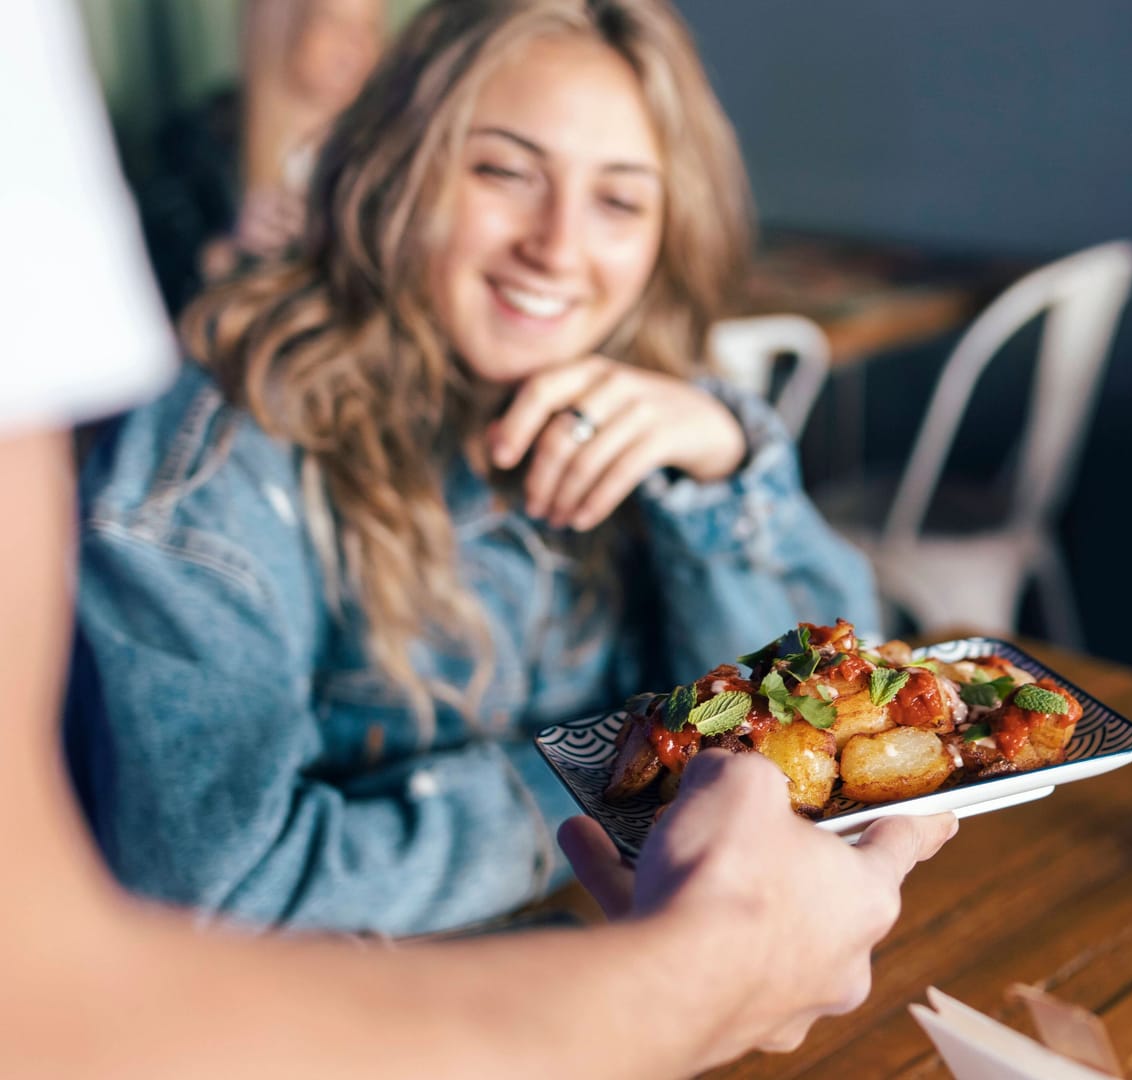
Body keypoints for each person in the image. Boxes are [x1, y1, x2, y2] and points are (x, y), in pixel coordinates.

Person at [8, 4, 951, 1074]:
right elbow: (214, 896)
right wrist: (616, 778)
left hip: (625, 989)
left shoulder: (637, 403)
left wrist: (727, 469)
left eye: (618, 199)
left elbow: (825, 737)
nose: (558, 245)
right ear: (400, 172)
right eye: (503, 171)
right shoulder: (219, 466)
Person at [139, 0, 387, 312]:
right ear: (280, 24)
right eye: (331, 20)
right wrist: (233, 250)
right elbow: (157, 278)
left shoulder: (384, 148)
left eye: (369, 27)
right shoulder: (196, 144)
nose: (355, 42)